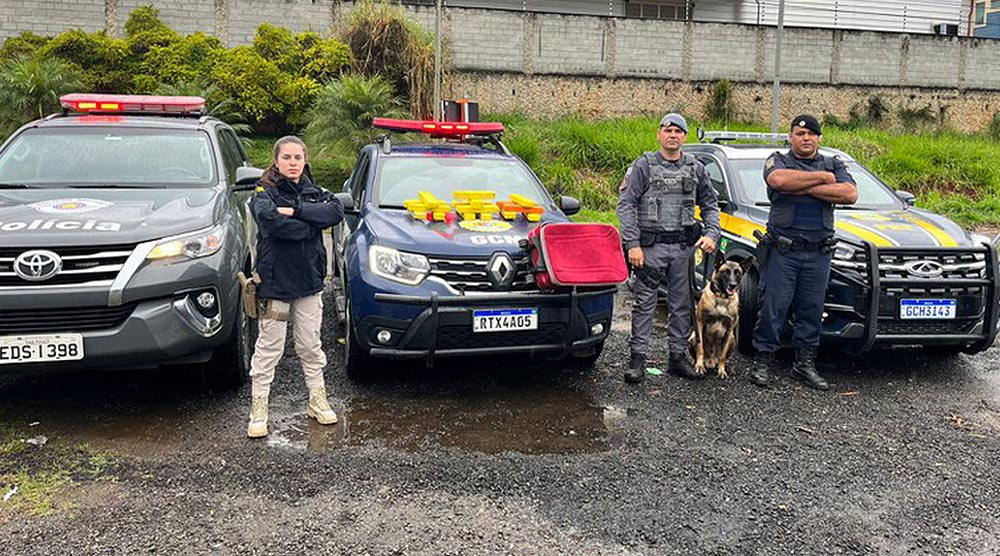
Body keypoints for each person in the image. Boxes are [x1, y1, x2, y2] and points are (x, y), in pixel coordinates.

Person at [749, 115, 858, 390]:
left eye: (811, 134)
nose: (806, 138)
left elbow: (849, 194)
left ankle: (804, 365)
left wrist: (804, 187)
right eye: (800, 133)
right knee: (773, 307)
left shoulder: (834, 162)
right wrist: (822, 180)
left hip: (818, 253)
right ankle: (763, 362)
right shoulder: (779, 160)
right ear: (790, 137)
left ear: (819, 138)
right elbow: (779, 181)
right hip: (783, 251)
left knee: (811, 310)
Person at [247, 136, 344, 438]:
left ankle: (317, 399)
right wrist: (310, 225)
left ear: (305, 160)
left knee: (310, 346)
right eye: (286, 157)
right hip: (275, 283)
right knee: (269, 349)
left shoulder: (315, 191)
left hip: (310, 283)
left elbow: (336, 212)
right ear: (276, 160)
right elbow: (271, 223)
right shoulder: (264, 192)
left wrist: (299, 211)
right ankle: (259, 408)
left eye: (297, 157)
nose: (292, 163)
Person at [617, 113, 721, 384]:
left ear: (684, 136)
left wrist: (712, 233)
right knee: (644, 304)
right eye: (668, 130)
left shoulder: (696, 168)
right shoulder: (643, 166)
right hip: (650, 249)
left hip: (683, 249)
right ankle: (637, 360)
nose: (672, 135)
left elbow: (710, 205)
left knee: (682, 305)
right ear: (659, 134)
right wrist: (633, 244)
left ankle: (677, 358)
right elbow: (626, 205)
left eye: (678, 131)